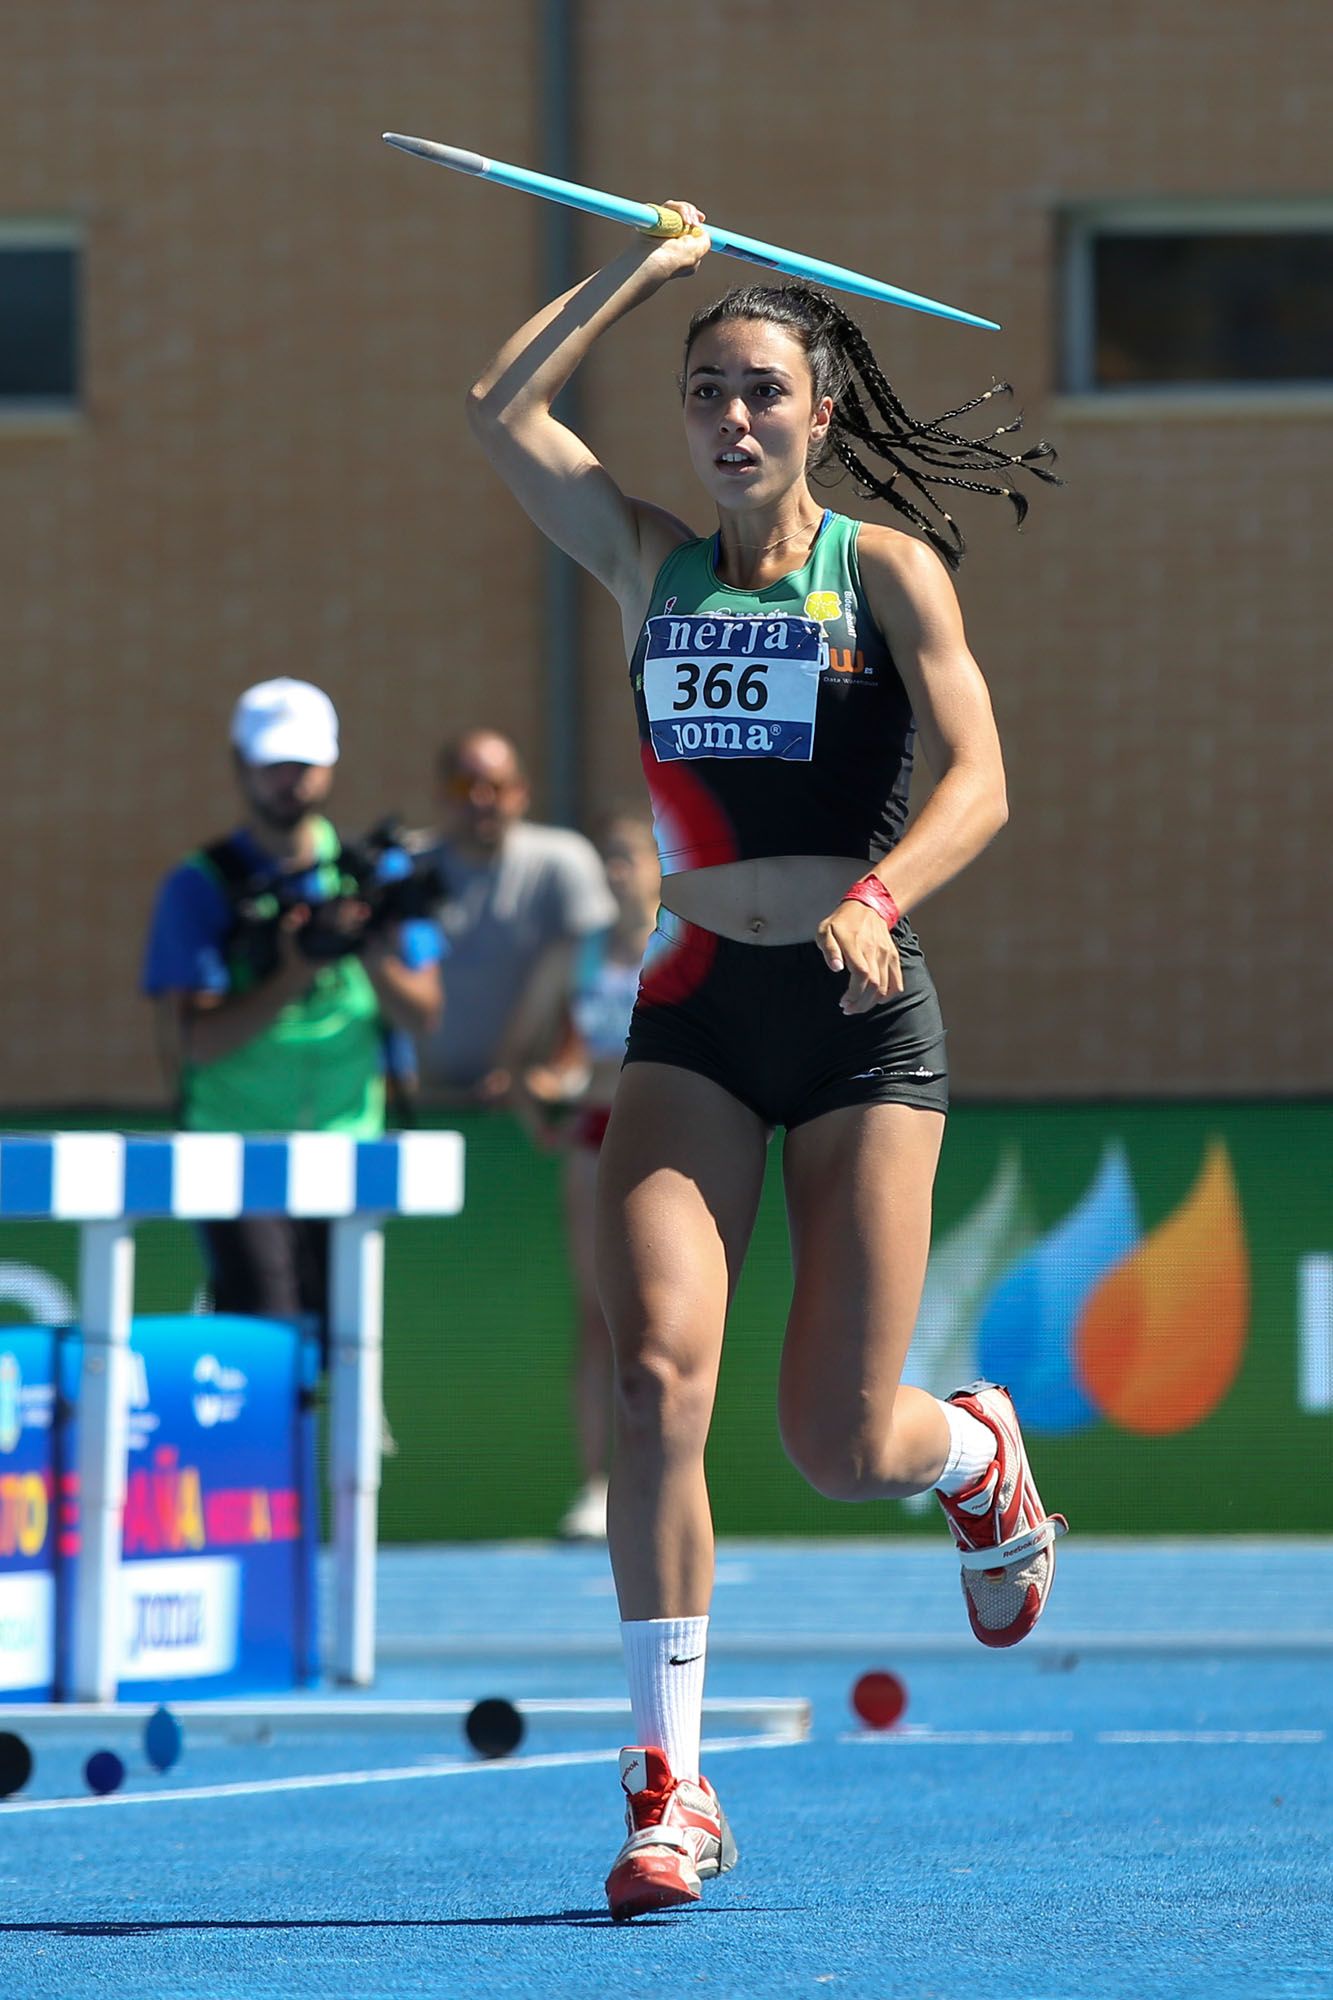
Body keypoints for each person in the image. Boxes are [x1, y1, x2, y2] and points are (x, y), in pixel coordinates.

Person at [466, 199, 1065, 1923]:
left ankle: (970, 1457)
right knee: (656, 1376)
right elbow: (498, 412)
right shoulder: (643, 560)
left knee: (831, 1441)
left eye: (759, 392)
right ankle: (671, 1794)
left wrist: (881, 892)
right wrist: (637, 270)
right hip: (692, 1011)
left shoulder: (878, 571)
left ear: (814, 412)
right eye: (703, 390)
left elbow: (981, 780)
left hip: (860, 1015)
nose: (729, 420)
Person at [142, 678, 444, 1350]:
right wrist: (295, 969)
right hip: (235, 1148)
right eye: (272, 763)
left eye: (302, 765)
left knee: (343, 1340)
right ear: (240, 765)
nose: (289, 782)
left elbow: (423, 1013)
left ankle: (334, 1459)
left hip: (349, 1141)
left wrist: (362, 943)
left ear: (330, 765)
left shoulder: (374, 876)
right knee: (264, 1338)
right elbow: (200, 1042)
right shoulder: (202, 884)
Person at [519, 808, 662, 1543]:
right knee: (596, 1315)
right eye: (605, 859)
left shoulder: (685, 946)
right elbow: (531, 1056)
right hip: (594, 1139)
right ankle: (593, 1484)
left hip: (669, 1140)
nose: (615, 873)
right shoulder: (574, 957)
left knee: (663, 1321)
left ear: (658, 865)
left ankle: (665, 1481)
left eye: (627, 858)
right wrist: (542, 1097)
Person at [414, 729, 616, 1104]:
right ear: (440, 793)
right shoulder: (407, 869)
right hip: (428, 1100)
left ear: (522, 792)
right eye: (464, 787)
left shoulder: (561, 862)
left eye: (497, 786)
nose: (481, 800)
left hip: (534, 1105)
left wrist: (560, 1071)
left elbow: (598, 976)